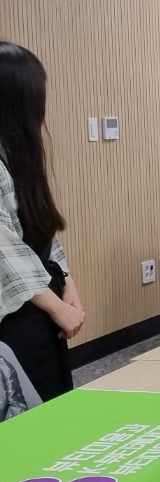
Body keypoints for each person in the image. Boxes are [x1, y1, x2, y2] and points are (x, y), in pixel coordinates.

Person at [0, 42, 83, 400]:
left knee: (54, 398)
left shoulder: (19, 152)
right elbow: (4, 249)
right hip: (15, 312)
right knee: (25, 405)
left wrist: (67, 283)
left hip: (41, 298)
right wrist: (55, 305)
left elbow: (40, 226)